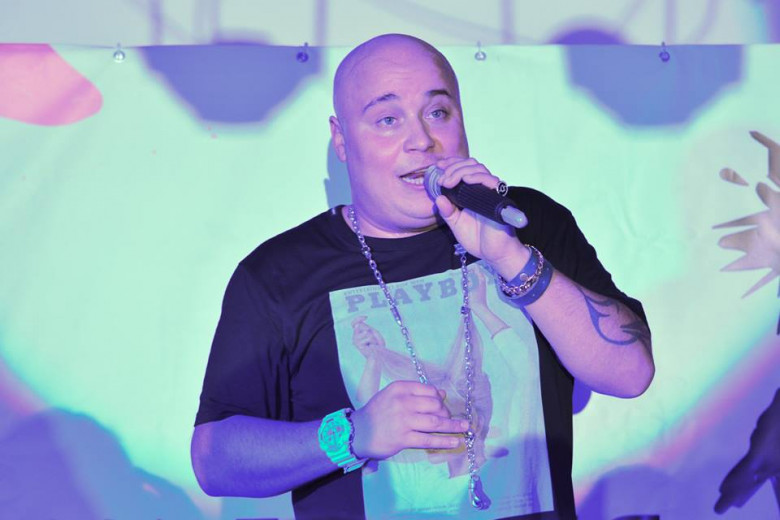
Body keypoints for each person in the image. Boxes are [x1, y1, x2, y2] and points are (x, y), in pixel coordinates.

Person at [191, 33, 654, 519]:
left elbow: (631, 374)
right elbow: (214, 460)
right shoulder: (280, 274)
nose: (421, 141)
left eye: (438, 112)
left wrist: (509, 256)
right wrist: (353, 434)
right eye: (388, 120)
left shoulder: (527, 223)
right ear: (342, 139)